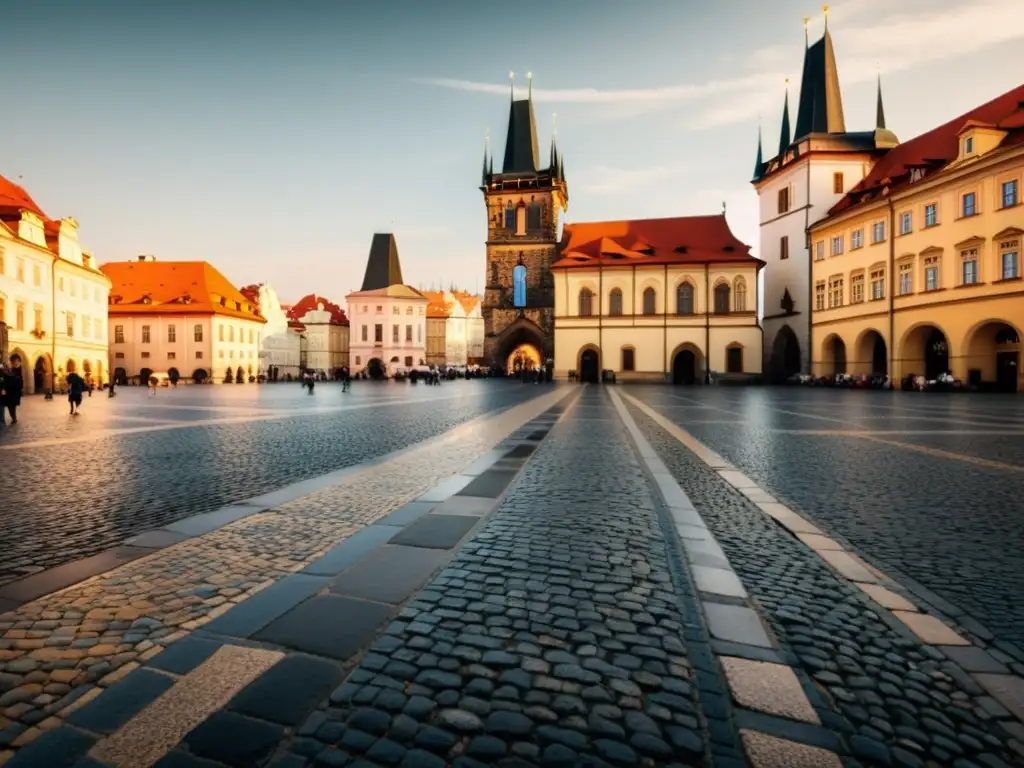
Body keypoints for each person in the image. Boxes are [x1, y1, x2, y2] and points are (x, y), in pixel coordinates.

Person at [1, 358, 23, 424]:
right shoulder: (7, 371)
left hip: (14, 392)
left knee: (12, 406)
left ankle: (14, 418)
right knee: (10, 406)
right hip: (9, 392)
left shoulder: (14, 371)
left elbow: (19, 381)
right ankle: (14, 418)